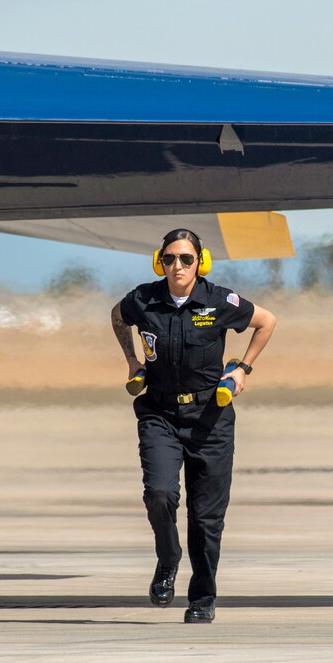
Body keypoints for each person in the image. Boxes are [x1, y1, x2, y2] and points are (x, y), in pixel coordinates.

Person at [110, 228, 276, 623]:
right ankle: (168, 558)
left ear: (200, 262)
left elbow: (267, 321)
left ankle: (202, 599)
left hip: (210, 420)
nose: (177, 266)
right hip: (159, 414)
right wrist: (132, 362)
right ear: (159, 262)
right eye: (169, 259)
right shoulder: (143, 299)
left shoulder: (218, 301)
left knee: (206, 519)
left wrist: (243, 368)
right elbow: (117, 317)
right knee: (159, 494)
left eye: (186, 259)